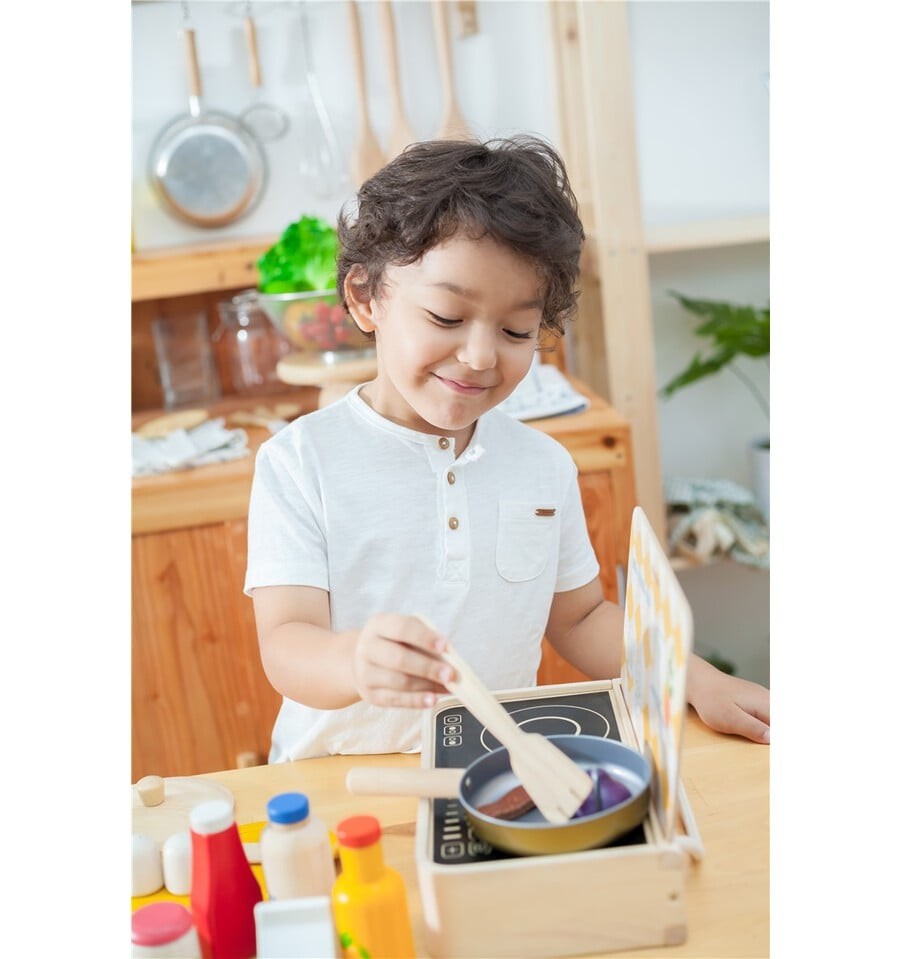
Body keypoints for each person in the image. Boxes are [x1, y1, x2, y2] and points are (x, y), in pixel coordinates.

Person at [245, 135, 770, 762]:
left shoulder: (542, 465)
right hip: (338, 778)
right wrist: (351, 661)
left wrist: (699, 680)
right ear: (364, 298)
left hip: (494, 769)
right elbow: (286, 641)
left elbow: (580, 619)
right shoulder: (300, 463)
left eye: (517, 330)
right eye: (446, 317)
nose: (479, 356)